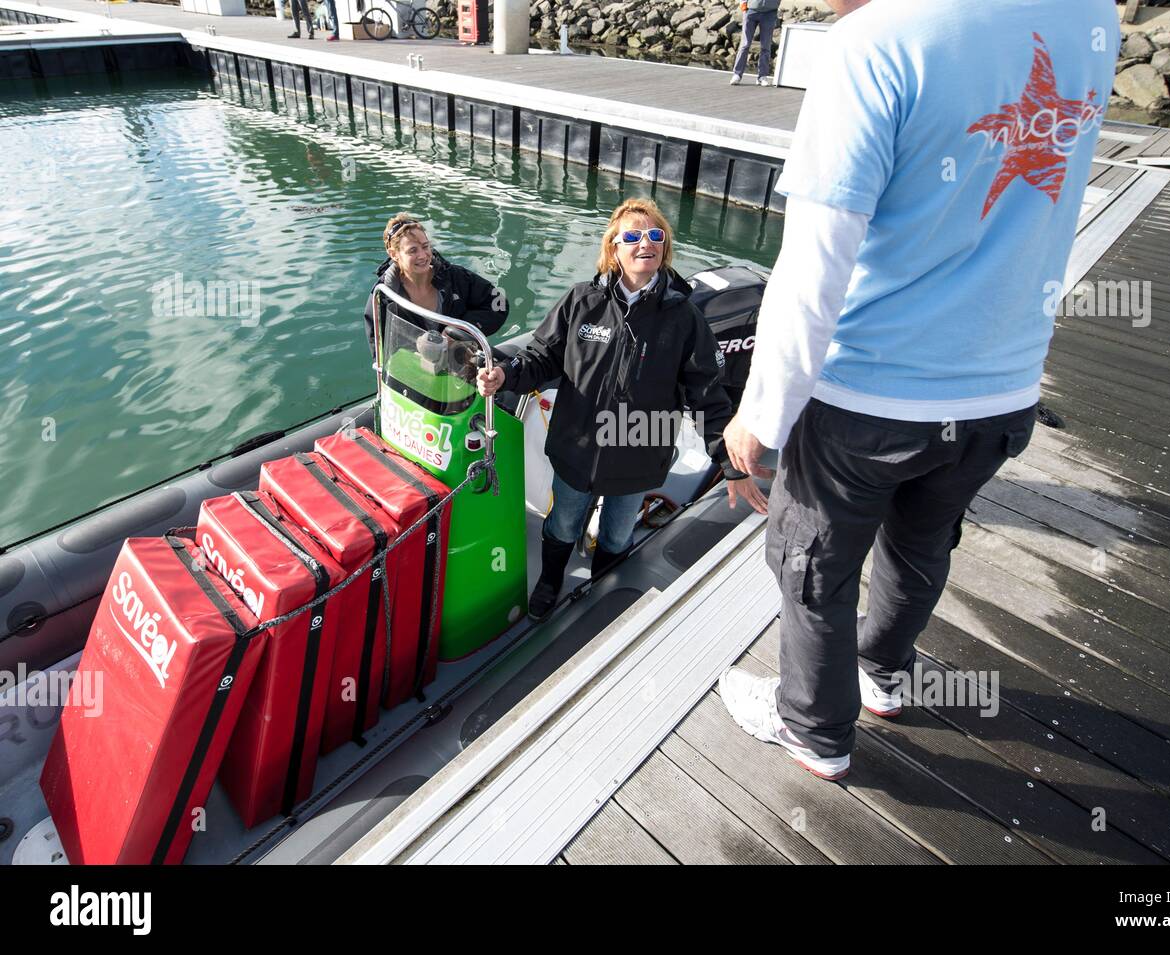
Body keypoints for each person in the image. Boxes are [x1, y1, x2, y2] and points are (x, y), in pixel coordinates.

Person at [718, 0, 1118, 780]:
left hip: (867, 394)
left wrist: (760, 416)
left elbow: (813, 267)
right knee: (923, 541)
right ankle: (883, 672)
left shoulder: (874, 43)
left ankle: (815, 729)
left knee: (811, 562)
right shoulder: (1089, 16)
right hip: (1003, 388)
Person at [476, 198, 769, 619]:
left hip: (640, 453)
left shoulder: (684, 317)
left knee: (616, 535)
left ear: (664, 247)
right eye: (631, 236)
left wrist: (732, 465)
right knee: (562, 523)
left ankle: (601, 591)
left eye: (655, 235)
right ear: (614, 247)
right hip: (577, 448)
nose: (643, 243)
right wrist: (506, 374)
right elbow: (541, 357)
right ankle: (550, 580)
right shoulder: (581, 301)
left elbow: (708, 396)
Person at [363, 213, 507, 362]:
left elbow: (499, 303)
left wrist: (459, 332)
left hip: (463, 363)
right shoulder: (383, 297)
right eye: (413, 250)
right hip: (415, 374)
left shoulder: (454, 277)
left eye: (425, 246)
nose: (423, 255)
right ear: (394, 254)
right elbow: (381, 354)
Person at [730, 0, 782, 87]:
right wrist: (743, 5)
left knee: (766, 46)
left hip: (770, 13)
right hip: (751, 11)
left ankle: (762, 77)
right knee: (745, 44)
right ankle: (737, 74)